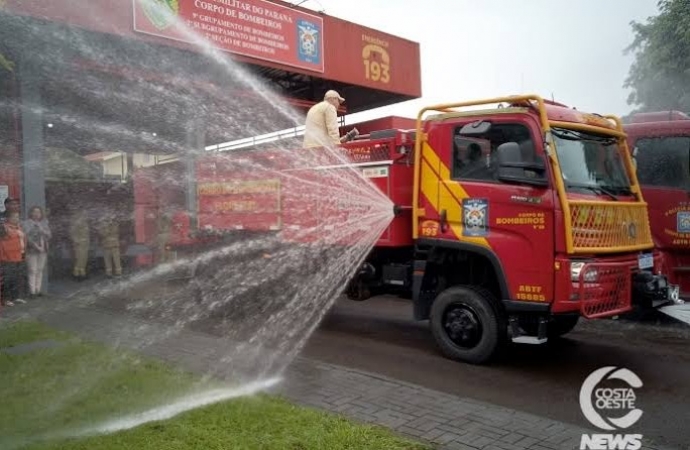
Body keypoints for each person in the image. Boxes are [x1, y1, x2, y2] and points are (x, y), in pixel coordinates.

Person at [23, 206, 51, 297]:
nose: (36, 214)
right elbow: (26, 236)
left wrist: (42, 229)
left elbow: (49, 235)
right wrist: (36, 246)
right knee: (32, 270)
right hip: (32, 250)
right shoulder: (26, 223)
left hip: (43, 250)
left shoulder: (43, 223)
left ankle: (38, 290)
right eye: (34, 212)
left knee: (40, 270)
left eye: (38, 212)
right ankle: (32, 292)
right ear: (30, 213)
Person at [0, 210, 26, 306]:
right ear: (8, 218)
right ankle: (6, 299)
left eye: (18, 217)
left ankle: (16, 297)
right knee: (8, 279)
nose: (17, 219)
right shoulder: (5, 228)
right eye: (14, 217)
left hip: (19, 256)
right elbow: (4, 242)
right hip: (8, 258)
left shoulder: (18, 227)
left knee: (16, 278)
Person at [97, 213, 122, 277]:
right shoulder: (102, 225)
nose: (109, 219)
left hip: (114, 246)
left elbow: (116, 231)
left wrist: (110, 227)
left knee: (117, 260)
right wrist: (106, 228)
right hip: (106, 246)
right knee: (107, 261)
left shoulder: (114, 224)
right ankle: (109, 273)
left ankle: (118, 273)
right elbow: (102, 234)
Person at [69, 209, 90, 280]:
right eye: (84, 213)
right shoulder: (76, 222)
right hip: (79, 243)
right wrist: (76, 241)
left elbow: (87, 234)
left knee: (84, 259)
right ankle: (76, 274)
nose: (86, 215)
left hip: (85, 243)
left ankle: (82, 273)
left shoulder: (85, 222)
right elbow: (72, 233)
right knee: (79, 259)